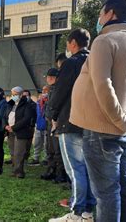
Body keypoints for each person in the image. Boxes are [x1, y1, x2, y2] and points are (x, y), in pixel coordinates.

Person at [70, 0, 126, 222]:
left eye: (100, 14)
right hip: (123, 130)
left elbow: (102, 85)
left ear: (110, 13)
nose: (99, 19)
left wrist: (120, 120)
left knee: (106, 193)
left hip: (102, 128)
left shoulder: (104, 41)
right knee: (123, 185)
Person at [48, 29, 95, 221]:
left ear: (73, 43)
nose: (67, 47)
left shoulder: (72, 63)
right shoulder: (95, 60)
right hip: (91, 123)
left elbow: (60, 91)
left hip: (70, 122)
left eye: (68, 43)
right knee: (87, 169)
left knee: (75, 169)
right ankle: (88, 212)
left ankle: (77, 212)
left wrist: (52, 114)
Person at [3, 86, 36, 178]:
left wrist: (14, 127)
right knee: (13, 152)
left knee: (19, 152)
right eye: (12, 94)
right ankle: (14, 170)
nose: (13, 96)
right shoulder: (10, 104)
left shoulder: (27, 105)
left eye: (15, 94)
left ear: (21, 95)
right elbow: (4, 116)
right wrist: (5, 126)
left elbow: (26, 119)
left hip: (20, 131)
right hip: (10, 131)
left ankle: (19, 172)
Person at [41, 67, 66, 183]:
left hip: (56, 123)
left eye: (52, 77)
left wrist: (54, 119)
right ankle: (51, 171)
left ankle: (61, 174)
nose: (49, 79)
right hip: (49, 122)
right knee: (49, 149)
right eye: (48, 77)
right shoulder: (51, 90)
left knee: (58, 150)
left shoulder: (60, 89)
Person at [29, 88, 47, 166]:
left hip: (47, 127)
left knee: (46, 144)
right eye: (43, 91)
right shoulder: (38, 102)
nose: (43, 92)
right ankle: (36, 158)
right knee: (37, 143)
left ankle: (46, 159)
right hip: (39, 125)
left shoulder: (50, 102)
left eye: (46, 91)